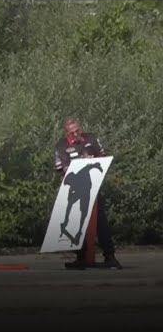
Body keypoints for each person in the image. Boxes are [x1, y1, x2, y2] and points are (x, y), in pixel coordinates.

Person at [53, 116, 122, 270]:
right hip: (75, 189)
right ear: (66, 133)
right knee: (76, 221)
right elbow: (62, 169)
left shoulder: (91, 138)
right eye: (72, 133)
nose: (76, 135)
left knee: (101, 222)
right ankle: (81, 256)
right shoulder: (61, 145)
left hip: (94, 187)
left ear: (81, 128)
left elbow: (103, 158)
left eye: (77, 131)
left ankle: (110, 256)